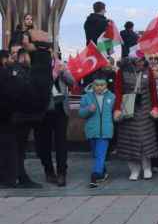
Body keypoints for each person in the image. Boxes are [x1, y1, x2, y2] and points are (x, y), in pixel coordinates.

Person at [1, 31, 52, 189]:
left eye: (18, 53)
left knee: (18, 149)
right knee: (12, 148)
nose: (15, 56)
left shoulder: (25, 71)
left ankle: (18, 176)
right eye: (13, 53)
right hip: (12, 116)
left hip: (21, 116)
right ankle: (13, 177)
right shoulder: (10, 73)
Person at [113, 56, 158, 180]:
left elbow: (153, 90)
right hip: (128, 108)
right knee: (130, 141)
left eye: (143, 60)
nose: (141, 63)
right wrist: (117, 108)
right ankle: (134, 169)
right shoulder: (121, 71)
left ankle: (147, 167)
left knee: (145, 140)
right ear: (132, 60)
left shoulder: (148, 70)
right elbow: (118, 91)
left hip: (145, 108)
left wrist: (155, 107)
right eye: (139, 60)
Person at [36, 54, 75, 186]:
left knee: (61, 143)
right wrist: (51, 75)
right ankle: (49, 171)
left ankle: (62, 173)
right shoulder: (39, 68)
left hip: (61, 110)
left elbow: (72, 82)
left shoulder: (62, 67)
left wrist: (63, 71)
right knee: (44, 144)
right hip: (45, 111)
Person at [79, 74, 115, 188]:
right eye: (97, 85)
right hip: (92, 130)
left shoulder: (112, 97)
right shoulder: (86, 97)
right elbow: (81, 113)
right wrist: (88, 110)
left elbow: (116, 111)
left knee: (100, 153)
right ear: (92, 85)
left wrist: (118, 116)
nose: (99, 87)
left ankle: (96, 175)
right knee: (96, 154)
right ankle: (103, 171)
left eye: (102, 85)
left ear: (106, 85)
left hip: (105, 130)